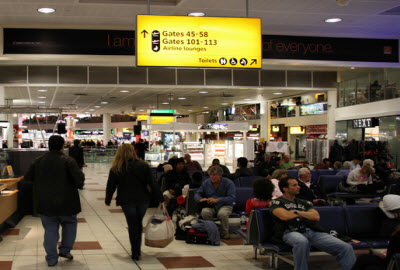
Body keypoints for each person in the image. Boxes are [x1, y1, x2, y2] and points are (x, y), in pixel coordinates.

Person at [270, 177, 356, 270]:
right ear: (285, 189)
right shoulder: (277, 202)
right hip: (290, 231)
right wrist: (305, 214)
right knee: (302, 242)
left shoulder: (304, 202)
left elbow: (315, 217)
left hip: (311, 231)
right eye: (294, 185)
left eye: (298, 185)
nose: (298, 187)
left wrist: (295, 212)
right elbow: (284, 216)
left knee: (346, 248)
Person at [23, 135, 85, 267]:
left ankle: (51, 258)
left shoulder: (38, 161)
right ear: (63, 146)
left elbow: (28, 178)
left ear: (48, 145)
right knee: (69, 225)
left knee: (50, 229)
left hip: (46, 202)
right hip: (68, 202)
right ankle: (65, 250)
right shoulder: (69, 161)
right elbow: (79, 179)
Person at [105, 144, 163, 261]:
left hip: (127, 200)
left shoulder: (117, 167)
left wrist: (108, 199)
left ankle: (135, 251)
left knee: (132, 225)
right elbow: (152, 183)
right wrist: (160, 198)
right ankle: (137, 249)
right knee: (138, 222)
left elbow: (111, 185)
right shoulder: (143, 165)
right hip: (143, 199)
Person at [194, 166, 236, 239]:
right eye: (210, 175)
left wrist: (218, 200)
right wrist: (201, 199)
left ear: (220, 175)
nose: (212, 177)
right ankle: (212, 231)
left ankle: (225, 232)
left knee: (222, 214)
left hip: (225, 205)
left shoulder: (228, 183)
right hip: (210, 205)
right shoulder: (206, 183)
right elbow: (197, 194)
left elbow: (231, 198)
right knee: (205, 212)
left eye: (214, 175)